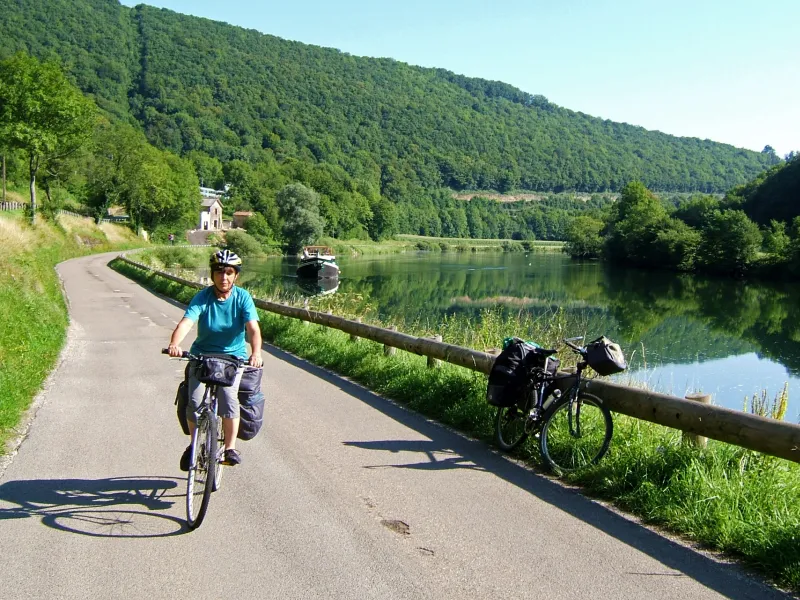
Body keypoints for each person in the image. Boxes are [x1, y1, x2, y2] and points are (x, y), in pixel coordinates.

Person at [166, 249, 263, 469]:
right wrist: (175, 344)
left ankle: (229, 448)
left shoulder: (242, 298)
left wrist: (255, 353)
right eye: (219, 272)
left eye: (229, 272)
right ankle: (193, 445)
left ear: (236, 275)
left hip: (232, 358)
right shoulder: (203, 297)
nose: (224, 277)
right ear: (212, 274)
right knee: (194, 401)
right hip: (202, 355)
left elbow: (253, 329)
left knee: (229, 399)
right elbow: (187, 322)